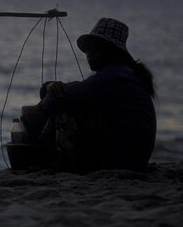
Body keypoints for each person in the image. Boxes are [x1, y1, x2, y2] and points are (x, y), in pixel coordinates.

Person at [37, 18, 156, 172]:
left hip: (124, 161)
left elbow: (54, 100)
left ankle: (43, 159)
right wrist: (49, 87)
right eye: (88, 48)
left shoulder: (114, 77)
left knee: (65, 110)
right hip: (133, 158)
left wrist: (48, 90)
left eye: (96, 48)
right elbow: (75, 91)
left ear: (112, 51)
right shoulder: (124, 74)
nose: (89, 53)